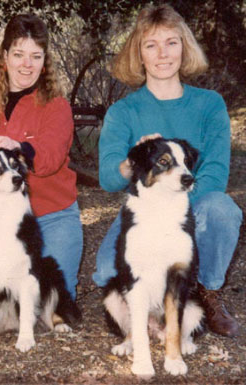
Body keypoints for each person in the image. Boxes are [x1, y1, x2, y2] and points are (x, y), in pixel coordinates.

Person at [93, 4, 242, 337]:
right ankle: (147, 303)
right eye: (151, 45)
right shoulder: (123, 111)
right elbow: (107, 178)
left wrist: (171, 214)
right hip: (143, 209)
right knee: (106, 272)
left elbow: (215, 175)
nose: (162, 54)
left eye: (171, 42)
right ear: (139, 55)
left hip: (191, 205)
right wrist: (133, 161)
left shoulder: (210, 103)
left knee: (222, 210)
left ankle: (207, 289)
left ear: (184, 47)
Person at [0, 14, 83, 300]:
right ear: (4, 57)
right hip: (0, 222)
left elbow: (51, 157)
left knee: (53, 301)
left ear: (45, 63)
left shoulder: (57, 106)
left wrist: (18, 146)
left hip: (51, 217)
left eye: (36, 56)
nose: (26, 65)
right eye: (18, 54)